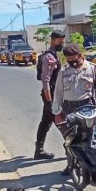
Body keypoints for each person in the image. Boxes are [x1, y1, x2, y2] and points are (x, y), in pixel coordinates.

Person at [53, 43, 96, 174]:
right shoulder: (63, 71)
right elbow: (58, 92)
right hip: (68, 109)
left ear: (80, 54)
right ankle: (71, 165)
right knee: (70, 140)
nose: (71, 61)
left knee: (90, 137)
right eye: (68, 59)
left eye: (73, 58)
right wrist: (57, 112)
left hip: (87, 107)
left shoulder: (92, 69)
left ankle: (94, 165)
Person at [34, 30, 66, 160]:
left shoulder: (53, 55)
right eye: (60, 41)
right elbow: (45, 81)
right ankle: (75, 153)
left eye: (63, 41)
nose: (62, 44)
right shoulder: (49, 57)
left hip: (52, 94)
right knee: (63, 124)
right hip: (51, 95)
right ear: (53, 40)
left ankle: (39, 151)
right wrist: (49, 101)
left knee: (45, 123)